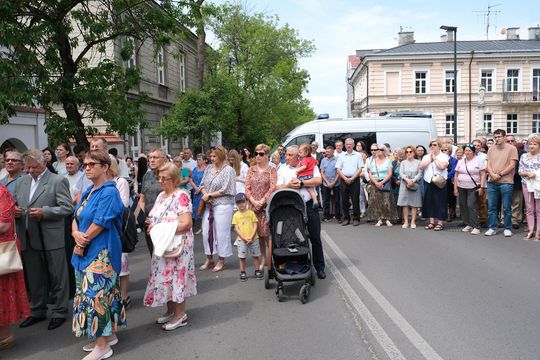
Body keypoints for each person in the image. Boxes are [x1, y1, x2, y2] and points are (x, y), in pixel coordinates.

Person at [71, 150, 125, 359]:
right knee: (97, 296)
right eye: (85, 164)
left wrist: (81, 243)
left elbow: (101, 223)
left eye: (92, 164)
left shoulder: (109, 191)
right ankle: (107, 336)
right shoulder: (89, 191)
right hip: (87, 251)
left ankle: (102, 347)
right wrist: (75, 232)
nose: (87, 167)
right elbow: (75, 216)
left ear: (105, 167)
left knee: (97, 298)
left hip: (101, 252)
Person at [13, 149, 73, 331]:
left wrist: (45, 212)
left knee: (57, 275)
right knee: (34, 276)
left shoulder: (57, 180)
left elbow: (67, 207)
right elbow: (15, 203)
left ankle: (60, 311)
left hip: (50, 236)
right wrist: (15, 211)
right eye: (28, 167)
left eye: (34, 167)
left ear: (44, 164)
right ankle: (37, 310)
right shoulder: (22, 181)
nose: (30, 171)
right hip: (28, 235)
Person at [144, 162, 196, 331]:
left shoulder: (182, 195)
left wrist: (159, 227)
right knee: (165, 277)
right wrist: (152, 223)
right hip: (164, 243)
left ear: (175, 180)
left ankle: (180, 315)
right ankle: (171, 309)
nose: (160, 181)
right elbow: (157, 217)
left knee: (177, 277)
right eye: (159, 177)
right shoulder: (161, 196)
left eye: (164, 178)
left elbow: (186, 223)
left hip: (178, 244)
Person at [276, 145, 326, 279]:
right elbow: (277, 187)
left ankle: (319, 267)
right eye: (286, 154)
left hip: (309, 206)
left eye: (290, 155)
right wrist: (289, 185)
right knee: (294, 239)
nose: (286, 157)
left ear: (298, 155)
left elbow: (318, 180)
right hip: (291, 208)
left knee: (315, 237)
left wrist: (302, 183)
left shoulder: (309, 163)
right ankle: (298, 265)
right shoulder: (283, 169)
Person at [0, 183, 30, 351]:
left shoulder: (2, 193)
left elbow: (3, 224)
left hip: (2, 251)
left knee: (2, 293)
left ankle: (5, 336)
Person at [199, 145, 236, 272]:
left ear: (220, 156)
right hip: (209, 204)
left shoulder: (228, 170)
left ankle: (221, 260)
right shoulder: (208, 168)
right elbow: (202, 184)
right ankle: (209, 258)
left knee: (221, 233)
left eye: (214, 156)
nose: (211, 158)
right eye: (211, 156)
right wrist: (205, 194)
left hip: (223, 204)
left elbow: (227, 189)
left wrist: (209, 195)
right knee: (206, 231)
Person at [245, 144, 277, 271]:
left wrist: (262, 201)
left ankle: (272, 259)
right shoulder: (251, 169)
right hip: (253, 207)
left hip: (265, 207)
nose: (258, 156)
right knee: (258, 235)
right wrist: (253, 201)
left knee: (267, 235)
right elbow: (247, 187)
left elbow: (273, 187)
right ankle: (263, 258)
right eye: (256, 153)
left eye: (261, 154)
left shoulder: (272, 170)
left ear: (267, 155)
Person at [485, 129, 519, 237]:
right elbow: (488, 164)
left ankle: (507, 228)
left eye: (499, 136)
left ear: (504, 137)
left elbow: (512, 165)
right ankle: (492, 227)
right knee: (492, 207)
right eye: (495, 137)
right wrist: (491, 174)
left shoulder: (512, 149)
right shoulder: (491, 149)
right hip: (492, 181)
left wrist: (499, 175)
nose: (497, 139)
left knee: (507, 207)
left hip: (506, 181)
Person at [138, 148, 167, 255]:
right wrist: (145, 216)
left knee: (165, 253)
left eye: (155, 157)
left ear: (163, 159)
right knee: (153, 253)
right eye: (150, 157)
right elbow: (142, 198)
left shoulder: (169, 175)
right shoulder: (147, 175)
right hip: (149, 221)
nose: (152, 160)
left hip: (165, 221)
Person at [454, 144, 486, 235]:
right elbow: (456, 175)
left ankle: (476, 226)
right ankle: (467, 223)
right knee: (463, 205)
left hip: (473, 187)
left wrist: (482, 187)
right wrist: (455, 188)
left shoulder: (478, 161)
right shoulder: (460, 161)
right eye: (466, 150)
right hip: (461, 186)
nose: (467, 152)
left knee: (471, 205)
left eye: (469, 151)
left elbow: (483, 174)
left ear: (473, 151)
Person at [419, 139, 449, 231]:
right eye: (431, 145)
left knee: (440, 202)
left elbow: (442, 166)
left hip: (439, 182)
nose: (432, 146)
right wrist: (430, 159)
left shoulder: (444, 156)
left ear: (439, 146)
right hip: (428, 181)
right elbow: (421, 167)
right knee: (430, 202)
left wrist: (435, 158)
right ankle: (431, 222)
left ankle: (440, 222)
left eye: (435, 145)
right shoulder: (426, 157)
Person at [232, 193, 262, 281]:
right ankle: (242, 272)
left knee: (255, 255)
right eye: (238, 203)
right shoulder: (236, 215)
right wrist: (244, 238)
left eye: (243, 202)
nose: (241, 204)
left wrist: (251, 237)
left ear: (247, 202)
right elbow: (236, 229)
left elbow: (255, 225)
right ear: (236, 204)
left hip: (254, 238)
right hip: (242, 240)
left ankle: (257, 270)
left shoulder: (251, 213)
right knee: (242, 257)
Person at [367, 144, 398, 226]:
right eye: (378, 150)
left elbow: (390, 174)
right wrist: (376, 182)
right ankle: (379, 219)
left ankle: (387, 218)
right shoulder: (373, 161)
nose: (379, 151)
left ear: (384, 151)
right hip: (375, 183)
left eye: (381, 149)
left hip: (385, 182)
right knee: (377, 201)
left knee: (386, 201)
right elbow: (370, 174)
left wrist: (382, 182)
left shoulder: (388, 161)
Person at [336, 138, 363, 226]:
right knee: (344, 200)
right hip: (344, 179)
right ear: (345, 145)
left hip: (355, 180)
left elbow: (360, 169)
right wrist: (345, 178)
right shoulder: (341, 155)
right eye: (347, 144)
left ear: (353, 145)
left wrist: (352, 178)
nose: (348, 146)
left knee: (355, 199)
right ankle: (346, 218)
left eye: (350, 144)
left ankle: (356, 219)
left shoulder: (358, 155)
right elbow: (338, 169)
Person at [518, 134, 540, 240]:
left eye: (535, 144)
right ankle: (531, 230)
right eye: (530, 144)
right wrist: (527, 173)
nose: (532, 146)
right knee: (529, 208)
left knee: (538, 209)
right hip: (526, 184)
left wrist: (535, 174)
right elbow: (520, 171)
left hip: (538, 185)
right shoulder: (524, 156)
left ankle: (538, 231)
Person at [397, 145, 422, 228]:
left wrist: (413, 180)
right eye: (407, 152)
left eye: (410, 151)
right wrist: (407, 180)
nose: (408, 153)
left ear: (414, 152)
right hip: (405, 184)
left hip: (414, 184)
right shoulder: (403, 162)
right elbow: (401, 173)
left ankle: (413, 222)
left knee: (414, 204)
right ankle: (406, 222)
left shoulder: (418, 162)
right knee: (405, 204)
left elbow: (420, 173)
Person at [320, 145, 341, 222]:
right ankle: (326, 216)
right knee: (325, 200)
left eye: (328, 152)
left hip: (336, 183)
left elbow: (339, 172)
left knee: (337, 200)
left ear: (332, 152)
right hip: (326, 183)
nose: (326, 153)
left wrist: (333, 182)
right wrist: (328, 182)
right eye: (326, 152)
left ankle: (338, 216)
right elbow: (322, 172)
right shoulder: (323, 160)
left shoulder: (337, 160)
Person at [296, 143, 319, 209]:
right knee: (311, 190)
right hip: (310, 177)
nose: (299, 154)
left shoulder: (304, 159)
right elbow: (316, 163)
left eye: (300, 152)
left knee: (297, 187)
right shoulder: (312, 158)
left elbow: (304, 166)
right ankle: (315, 200)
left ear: (306, 153)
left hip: (303, 177)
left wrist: (298, 171)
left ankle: (299, 197)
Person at [189, 154, 207, 234]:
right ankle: (200, 226)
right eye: (197, 159)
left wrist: (199, 189)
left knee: (204, 208)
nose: (198, 161)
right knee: (197, 208)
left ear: (204, 160)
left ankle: (203, 227)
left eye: (200, 159)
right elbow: (191, 179)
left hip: (203, 191)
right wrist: (195, 188)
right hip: (195, 192)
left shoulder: (206, 169)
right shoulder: (195, 169)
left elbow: (206, 181)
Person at [443, 144, 458, 222]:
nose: (443, 151)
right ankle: (444, 213)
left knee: (451, 199)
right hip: (440, 181)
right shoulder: (439, 159)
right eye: (442, 150)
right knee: (442, 198)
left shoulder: (453, 160)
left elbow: (453, 171)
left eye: (445, 150)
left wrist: (445, 177)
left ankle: (450, 214)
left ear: (449, 151)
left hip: (449, 181)